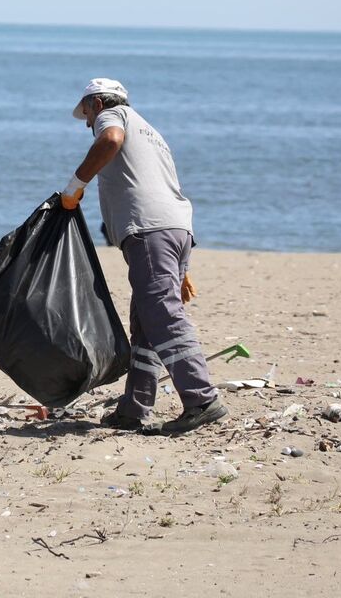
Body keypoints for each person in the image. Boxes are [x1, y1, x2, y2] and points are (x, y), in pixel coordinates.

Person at [63, 78, 227, 434]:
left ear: (97, 104)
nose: (88, 123)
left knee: (162, 314)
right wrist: (180, 265)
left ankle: (201, 399)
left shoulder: (112, 117)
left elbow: (110, 140)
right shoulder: (151, 132)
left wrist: (75, 185)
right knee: (146, 322)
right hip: (175, 229)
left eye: (87, 113)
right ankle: (133, 409)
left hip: (150, 231)